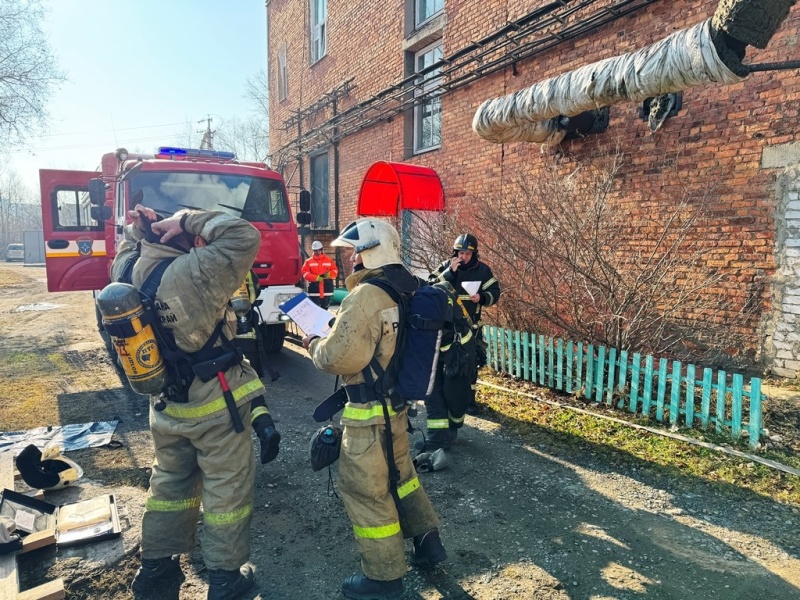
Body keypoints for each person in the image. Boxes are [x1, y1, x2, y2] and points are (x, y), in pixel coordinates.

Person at [111, 204, 281, 600]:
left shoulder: (125, 275)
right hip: (214, 404)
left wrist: (143, 229)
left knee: (169, 486)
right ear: (184, 240)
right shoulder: (194, 271)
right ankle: (225, 580)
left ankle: (156, 571)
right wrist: (186, 219)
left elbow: (126, 246)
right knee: (226, 492)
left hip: (166, 405)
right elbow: (243, 235)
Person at [302, 218, 447, 600]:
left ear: (370, 251)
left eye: (356, 250)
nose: (351, 258)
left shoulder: (366, 295)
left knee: (367, 491)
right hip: (397, 410)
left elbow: (338, 358)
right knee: (403, 477)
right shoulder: (407, 286)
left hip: (367, 418)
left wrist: (315, 341)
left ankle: (384, 579)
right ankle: (428, 544)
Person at [429, 234, 501, 415]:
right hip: (447, 327)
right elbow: (430, 287)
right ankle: (445, 397)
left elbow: (495, 291)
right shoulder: (447, 266)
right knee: (444, 363)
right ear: (455, 252)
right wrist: (449, 273)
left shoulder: (483, 270)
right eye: (461, 253)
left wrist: (483, 297)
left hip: (471, 327)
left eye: (468, 254)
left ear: (474, 254)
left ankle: (469, 401)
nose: (464, 257)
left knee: (470, 364)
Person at [301, 240, 339, 309]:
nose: (317, 252)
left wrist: (326, 275)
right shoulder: (308, 262)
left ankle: (325, 320)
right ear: (313, 251)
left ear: (322, 250)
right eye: (315, 250)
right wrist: (316, 278)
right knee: (315, 309)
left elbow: (335, 271)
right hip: (315, 290)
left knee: (325, 309)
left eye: (319, 250)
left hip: (326, 290)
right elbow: (305, 274)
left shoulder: (329, 260)